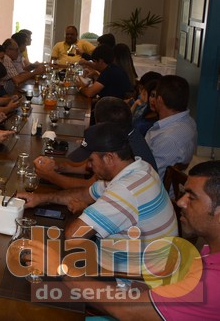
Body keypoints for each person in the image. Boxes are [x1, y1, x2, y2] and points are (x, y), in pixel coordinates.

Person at [27, 161, 220, 320]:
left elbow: (128, 311)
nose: (180, 201)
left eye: (192, 197)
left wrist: (60, 269)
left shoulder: (212, 283)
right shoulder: (210, 250)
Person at [19, 122, 177, 272]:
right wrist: (40, 198)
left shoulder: (125, 191)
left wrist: (83, 211)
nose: (88, 166)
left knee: (30, 260)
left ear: (109, 158)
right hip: (136, 263)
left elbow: (74, 237)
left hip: (130, 280)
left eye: (91, 160)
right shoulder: (140, 169)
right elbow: (85, 194)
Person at [34, 96, 158, 191]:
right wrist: (58, 167)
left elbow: (88, 187)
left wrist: (50, 175)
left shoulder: (124, 150)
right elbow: (90, 167)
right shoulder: (129, 133)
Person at [145, 75, 197, 180]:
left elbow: (151, 177)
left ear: (159, 100)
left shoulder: (167, 138)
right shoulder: (189, 121)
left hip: (151, 183)